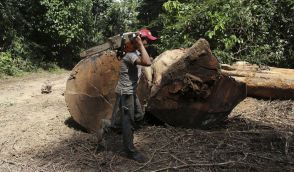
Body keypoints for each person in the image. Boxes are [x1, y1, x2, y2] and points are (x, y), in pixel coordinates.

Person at [110, 28, 157, 163]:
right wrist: (140, 44)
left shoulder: (134, 53)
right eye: (145, 40)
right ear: (137, 40)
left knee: (138, 115)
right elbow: (147, 63)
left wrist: (140, 47)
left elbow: (147, 60)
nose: (146, 42)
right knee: (128, 122)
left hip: (130, 92)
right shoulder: (131, 55)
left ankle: (110, 126)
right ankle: (130, 151)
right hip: (126, 93)